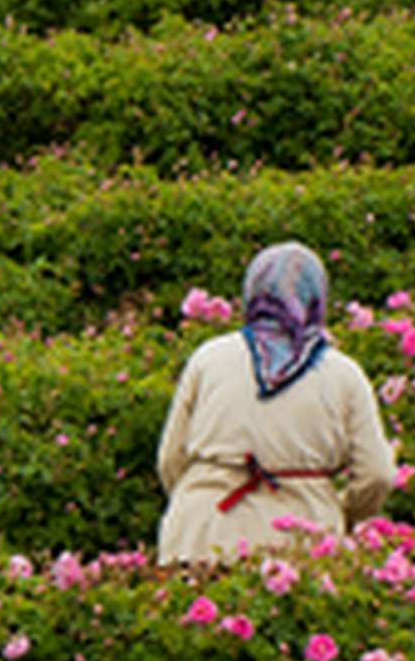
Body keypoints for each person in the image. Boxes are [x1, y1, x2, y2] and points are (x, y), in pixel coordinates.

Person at [156, 242, 398, 564]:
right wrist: (339, 511)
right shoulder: (344, 374)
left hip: (198, 537)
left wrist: (200, 494)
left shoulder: (208, 358)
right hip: (297, 543)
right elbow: (377, 475)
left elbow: (171, 460)